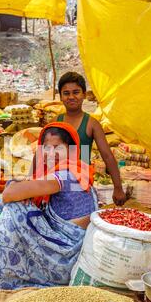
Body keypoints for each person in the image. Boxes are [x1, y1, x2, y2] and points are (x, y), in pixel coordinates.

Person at [0, 122, 97, 290]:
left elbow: (8, 195)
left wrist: (17, 188)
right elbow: (25, 185)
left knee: (14, 209)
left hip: (64, 259)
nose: (51, 153)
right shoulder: (78, 169)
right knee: (21, 200)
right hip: (70, 249)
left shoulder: (64, 175)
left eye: (57, 148)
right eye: (46, 148)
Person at [57, 72, 126, 206]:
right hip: (57, 184)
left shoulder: (91, 124)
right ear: (60, 96)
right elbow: (42, 154)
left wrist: (118, 187)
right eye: (66, 93)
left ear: (84, 94)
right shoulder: (55, 121)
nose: (71, 97)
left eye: (76, 92)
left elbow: (107, 156)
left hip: (81, 185)